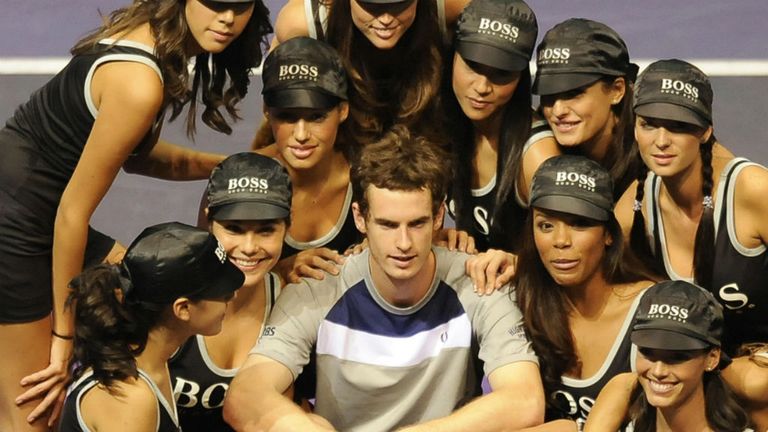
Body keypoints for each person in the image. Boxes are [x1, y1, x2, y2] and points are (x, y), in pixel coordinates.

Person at [0, 1, 271, 429]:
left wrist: (230, 164)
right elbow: (71, 214)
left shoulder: (153, 32)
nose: (227, 18)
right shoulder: (139, 84)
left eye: (239, 6)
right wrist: (62, 339)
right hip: (16, 227)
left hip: (33, 208)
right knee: (33, 412)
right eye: (215, 2)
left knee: (151, 293)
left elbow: (137, 155)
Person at [223, 125, 545, 431]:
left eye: (417, 224)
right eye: (388, 225)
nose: (403, 243)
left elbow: (525, 401)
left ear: (438, 217)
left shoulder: (480, 283)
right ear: (360, 218)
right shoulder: (319, 288)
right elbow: (245, 397)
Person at [619, 59, 768, 354]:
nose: (661, 141)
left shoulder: (753, 190)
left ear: (705, 132)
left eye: (678, 126)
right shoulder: (636, 207)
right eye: (648, 124)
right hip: (695, 366)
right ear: (634, 128)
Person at [505, 155, 655, 427]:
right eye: (546, 225)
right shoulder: (518, 302)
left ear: (608, 234)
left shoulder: (650, 310)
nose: (561, 241)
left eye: (579, 223)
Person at [58, 222, 245, 432]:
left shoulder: (151, 359)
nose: (232, 297)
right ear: (183, 308)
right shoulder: (130, 400)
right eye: (223, 293)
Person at [170, 153, 292, 431]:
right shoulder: (168, 295)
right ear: (208, 222)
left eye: (266, 231)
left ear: (287, 227)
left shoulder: (292, 300)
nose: (249, 247)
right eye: (234, 229)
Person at [258, 0, 469, 151]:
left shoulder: (448, 7)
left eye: (399, 4)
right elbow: (281, 106)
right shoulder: (302, 22)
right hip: (342, 139)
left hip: (427, 131)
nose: (386, 19)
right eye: (372, 6)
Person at [446, 0, 558, 253]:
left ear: (520, 77)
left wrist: (516, 265)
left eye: (501, 74)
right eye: (473, 66)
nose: (482, 87)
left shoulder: (537, 156)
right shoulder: (442, 127)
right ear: (452, 57)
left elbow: (567, 257)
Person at [256, 36, 360, 284]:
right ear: (267, 112)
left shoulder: (370, 179)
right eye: (287, 117)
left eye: (316, 117)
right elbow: (211, 287)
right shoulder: (237, 181)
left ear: (343, 111)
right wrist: (278, 273)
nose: (301, 135)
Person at [584, 280, 753, 431]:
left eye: (677, 357)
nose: (658, 371)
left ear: (712, 358)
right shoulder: (622, 394)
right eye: (647, 353)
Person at [533, 18, 641, 199]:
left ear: (617, 90)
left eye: (573, 93)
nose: (558, 111)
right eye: (548, 94)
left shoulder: (652, 151)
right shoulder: (535, 144)